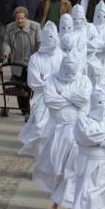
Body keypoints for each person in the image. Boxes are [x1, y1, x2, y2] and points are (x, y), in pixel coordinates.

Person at [33, 52, 91, 209]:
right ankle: (57, 199)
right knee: (56, 166)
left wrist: (63, 95)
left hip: (77, 131)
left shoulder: (83, 80)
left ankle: (68, 203)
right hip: (58, 130)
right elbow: (50, 100)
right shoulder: (52, 80)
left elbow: (84, 99)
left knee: (72, 168)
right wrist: (72, 100)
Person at [17, 22, 61, 157]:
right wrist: (52, 81)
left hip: (59, 97)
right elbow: (34, 81)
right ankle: (40, 154)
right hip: (41, 98)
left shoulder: (62, 57)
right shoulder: (35, 58)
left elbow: (66, 79)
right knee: (40, 126)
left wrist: (46, 78)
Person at [1, 6, 42, 114]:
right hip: (17, 61)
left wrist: (38, 56)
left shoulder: (35, 26)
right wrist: (6, 51)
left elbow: (39, 42)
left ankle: (30, 108)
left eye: (22, 18)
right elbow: (6, 42)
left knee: (30, 86)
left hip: (31, 62)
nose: (19, 21)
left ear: (26, 18)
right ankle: (23, 109)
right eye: (17, 18)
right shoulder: (10, 27)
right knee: (19, 86)